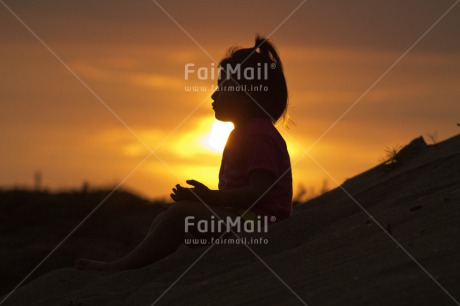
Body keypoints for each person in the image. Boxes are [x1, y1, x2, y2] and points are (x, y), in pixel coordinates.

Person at [74, 35, 293, 271]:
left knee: (181, 215)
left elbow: (257, 194)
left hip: (263, 225)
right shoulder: (240, 134)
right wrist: (204, 197)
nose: (213, 95)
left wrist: (208, 198)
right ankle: (146, 266)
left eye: (222, 87)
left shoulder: (258, 135)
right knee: (169, 216)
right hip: (242, 219)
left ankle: (122, 267)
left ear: (245, 95)